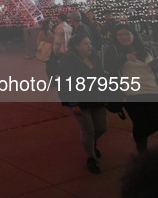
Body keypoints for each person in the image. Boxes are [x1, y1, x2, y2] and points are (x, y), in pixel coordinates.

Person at [104, 24, 158, 153]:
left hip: (153, 89)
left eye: (127, 33)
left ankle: (138, 136)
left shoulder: (147, 49)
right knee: (141, 123)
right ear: (116, 37)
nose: (124, 37)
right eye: (120, 35)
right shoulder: (113, 50)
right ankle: (142, 154)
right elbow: (108, 67)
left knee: (154, 121)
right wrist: (124, 58)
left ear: (133, 35)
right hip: (132, 93)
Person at [58, 34, 107, 174]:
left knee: (102, 127)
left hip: (96, 99)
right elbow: (65, 84)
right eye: (86, 43)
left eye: (90, 43)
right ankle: (91, 158)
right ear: (76, 46)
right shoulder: (69, 61)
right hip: (80, 100)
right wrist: (73, 103)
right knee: (88, 129)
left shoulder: (95, 59)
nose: (89, 46)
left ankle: (91, 144)